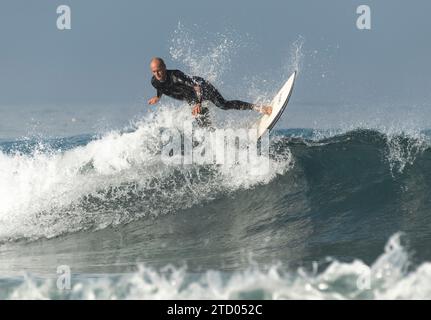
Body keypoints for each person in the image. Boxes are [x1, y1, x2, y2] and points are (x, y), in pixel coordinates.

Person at [148, 57, 272, 127]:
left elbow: (196, 87)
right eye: (154, 71)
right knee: (201, 121)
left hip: (202, 87)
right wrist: (157, 97)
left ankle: (257, 107)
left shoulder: (176, 75)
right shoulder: (154, 81)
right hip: (192, 98)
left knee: (223, 105)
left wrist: (198, 103)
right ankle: (218, 140)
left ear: (164, 67)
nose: (157, 74)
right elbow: (161, 87)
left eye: (159, 70)